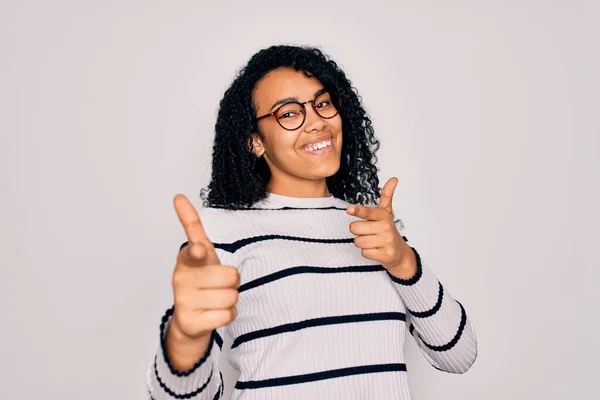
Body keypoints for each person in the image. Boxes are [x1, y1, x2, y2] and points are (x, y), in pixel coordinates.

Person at [146, 45, 477, 400]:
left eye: (322, 103)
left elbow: (459, 356)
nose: (317, 121)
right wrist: (185, 338)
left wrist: (404, 262)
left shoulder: (370, 227)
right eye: (289, 113)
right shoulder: (223, 232)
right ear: (255, 142)